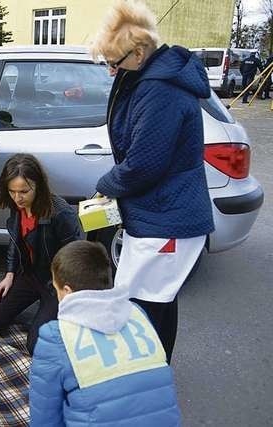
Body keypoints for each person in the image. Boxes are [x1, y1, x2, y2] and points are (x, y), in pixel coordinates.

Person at [90, 0, 214, 362]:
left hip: (167, 215)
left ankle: (148, 374)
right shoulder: (148, 76)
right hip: (160, 210)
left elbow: (145, 164)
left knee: (146, 302)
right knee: (151, 297)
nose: (111, 70)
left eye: (115, 61)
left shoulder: (162, 90)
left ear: (140, 51)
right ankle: (150, 370)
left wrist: (106, 183)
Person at [29, 240, 181, 426]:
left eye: (56, 288)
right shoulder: (137, 312)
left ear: (67, 291)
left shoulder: (55, 336)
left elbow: (44, 417)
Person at [0, 154, 81, 354]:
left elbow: (76, 255)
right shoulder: (17, 207)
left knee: (35, 346)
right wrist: (9, 274)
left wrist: (64, 291)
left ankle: (51, 316)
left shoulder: (61, 213)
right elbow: (15, 241)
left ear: (39, 186)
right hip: (29, 275)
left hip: (56, 282)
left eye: (24, 192)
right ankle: (41, 317)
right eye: (12, 191)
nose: (17, 198)